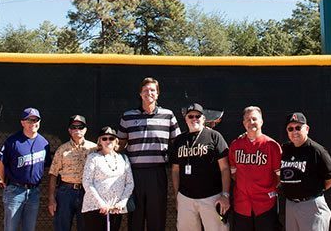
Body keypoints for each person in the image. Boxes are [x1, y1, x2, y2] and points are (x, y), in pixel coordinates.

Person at [118, 77, 181, 231]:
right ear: (140, 94)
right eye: (145, 90)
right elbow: (119, 146)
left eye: (153, 90)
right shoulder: (128, 116)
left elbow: (178, 143)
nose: (149, 93)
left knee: (157, 218)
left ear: (158, 94)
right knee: (135, 218)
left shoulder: (168, 115)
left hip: (157, 173)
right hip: (134, 174)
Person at [168, 103, 231, 231]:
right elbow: (175, 170)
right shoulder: (179, 140)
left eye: (198, 116)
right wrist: (177, 195)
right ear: (186, 119)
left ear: (204, 118)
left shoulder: (214, 136)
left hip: (212, 197)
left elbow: (225, 168)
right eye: (190, 116)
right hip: (185, 198)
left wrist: (225, 195)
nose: (194, 119)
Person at [280, 112, 331, 231]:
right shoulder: (285, 149)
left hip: (311, 205)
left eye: (298, 127)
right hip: (291, 205)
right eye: (290, 129)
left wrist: (314, 191)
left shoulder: (316, 150)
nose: (294, 131)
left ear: (306, 129)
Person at [0, 107, 51, 231]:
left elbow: (45, 165)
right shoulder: (12, 142)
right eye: (29, 120)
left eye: (35, 120)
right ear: (22, 122)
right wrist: (4, 180)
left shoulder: (44, 143)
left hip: (34, 192)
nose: (33, 123)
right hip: (15, 191)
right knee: (11, 228)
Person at [228, 106, 282, 231]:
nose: (251, 122)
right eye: (247, 119)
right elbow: (234, 174)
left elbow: (279, 177)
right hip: (242, 205)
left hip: (265, 204)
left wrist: (264, 189)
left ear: (261, 121)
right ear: (243, 123)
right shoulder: (235, 145)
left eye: (254, 119)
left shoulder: (271, 145)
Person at [48, 114, 97, 231]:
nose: (77, 130)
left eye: (80, 127)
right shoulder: (62, 150)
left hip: (87, 192)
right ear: (69, 130)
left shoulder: (94, 149)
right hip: (66, 192)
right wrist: (51, 198)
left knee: (85, 226)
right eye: (73, 127)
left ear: (85, 129)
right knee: (62, 226)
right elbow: (53, 174)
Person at [81, 127, 134, 231]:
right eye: (104, 138)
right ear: (100, 141)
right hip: (95, 208)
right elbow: (87, 182)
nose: (108, 141)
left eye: (111, 138)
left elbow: (130, 183)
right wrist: (101, 204)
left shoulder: (123, 159)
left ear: (116, 141)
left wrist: (122, 202)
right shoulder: (93, 158)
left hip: (115, 209)